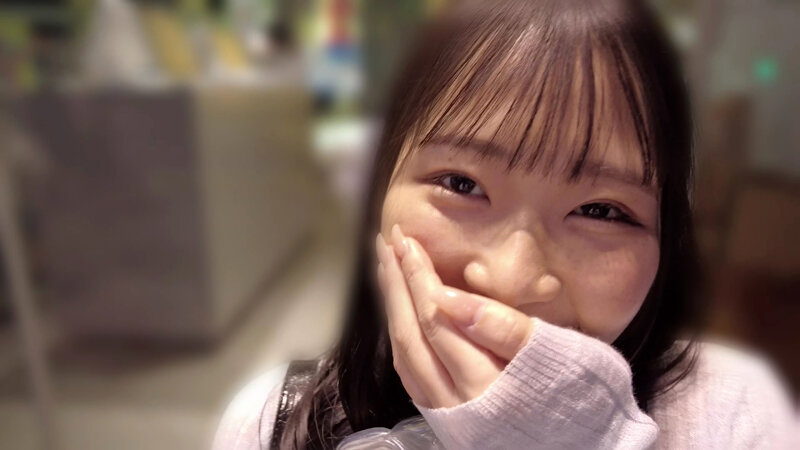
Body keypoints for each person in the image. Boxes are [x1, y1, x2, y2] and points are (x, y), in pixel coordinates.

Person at [214, 0, 796, 448]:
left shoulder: (736, 414)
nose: (511, 281)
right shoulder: (272, 423)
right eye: (461, 184)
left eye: (600, 211)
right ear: (381, 190)